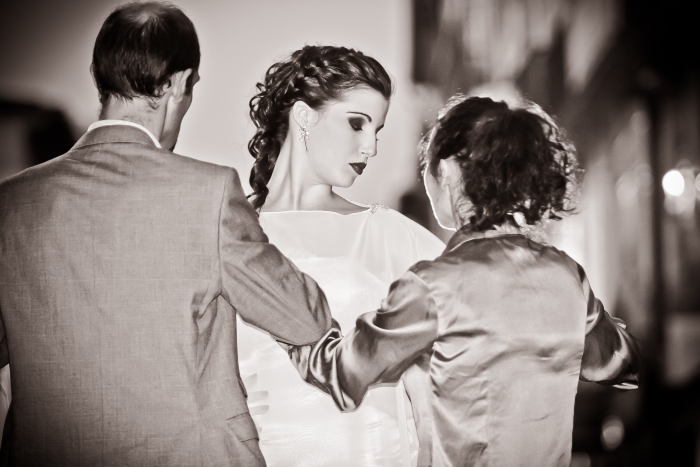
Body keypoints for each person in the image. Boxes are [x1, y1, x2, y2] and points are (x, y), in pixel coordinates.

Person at [0, 3, 332, 465]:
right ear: (178, 82)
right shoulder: (209, 192)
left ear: (100, 76)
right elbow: (304, 320)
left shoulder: (11, 202)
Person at [287, 96, 643, 467]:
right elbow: (624, 363)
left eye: (427, 167)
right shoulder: (567, 276)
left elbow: (343, 373)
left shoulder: (433, 286)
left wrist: (290, 301)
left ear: (447, 170)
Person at [237, 45, 445, 467]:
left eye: (377, 131)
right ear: (303, 116)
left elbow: (439, 382)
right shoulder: (232, 237)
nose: (370, 147)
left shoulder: (388, 234)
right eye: (357, 123)